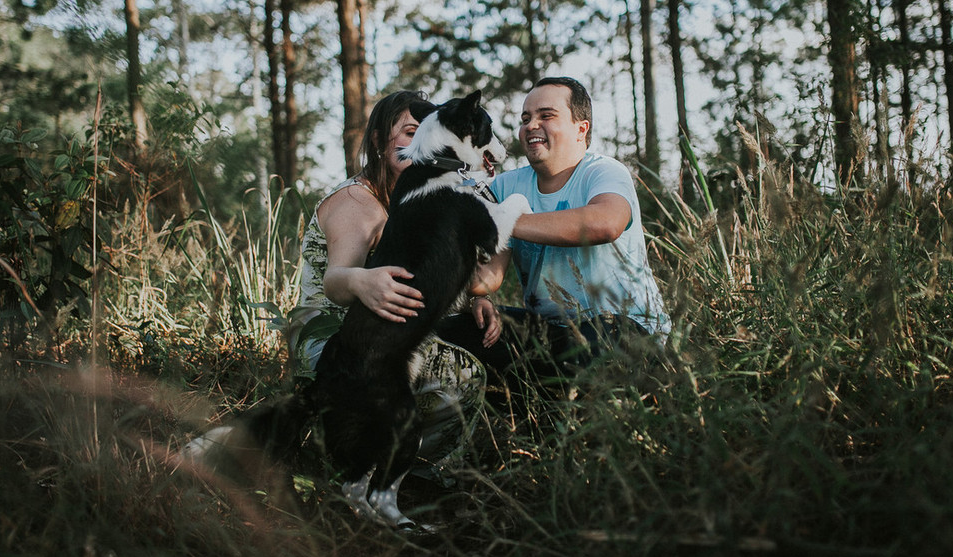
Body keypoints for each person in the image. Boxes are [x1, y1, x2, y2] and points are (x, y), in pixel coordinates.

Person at [287, 90, 501, 482]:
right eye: (408, 131)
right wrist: (361, 280)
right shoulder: (357, 200)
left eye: (425, 131)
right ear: (378, 142)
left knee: (474, 342)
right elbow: (336, 282)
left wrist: (473, 297)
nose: (420, 140)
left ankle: (407, 467)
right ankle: (371, 469)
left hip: (380, 332)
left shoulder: (419, 196)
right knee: (463, 373)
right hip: (332, 340)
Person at [458, 76, 671, 374]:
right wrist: (477, 298)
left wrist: (503, 219)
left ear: (580, 129)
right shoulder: (506, 186)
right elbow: (487, 278)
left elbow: (606, 223)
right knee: (458, 330)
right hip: (550, 332)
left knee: (596, 343)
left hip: (624, 329)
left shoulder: (604, 172)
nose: (531, 125)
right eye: (525, 118)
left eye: (546, 116)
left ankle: (548, 395)